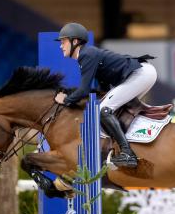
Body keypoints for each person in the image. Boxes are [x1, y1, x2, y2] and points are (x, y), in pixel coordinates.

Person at [54, 22, 157, 168]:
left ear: (75, 41)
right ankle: (132, 145)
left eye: (63, 41)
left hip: (140, 74)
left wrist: (65, 100)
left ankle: (127, 153)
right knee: (115, 109)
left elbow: (83, 90)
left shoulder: (86, 55)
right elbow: (101, 90)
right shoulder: (88, 55)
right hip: (143, 73)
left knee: (104, 110)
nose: (60, 46)